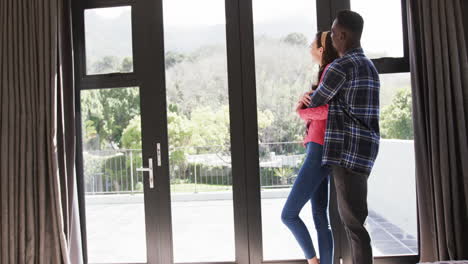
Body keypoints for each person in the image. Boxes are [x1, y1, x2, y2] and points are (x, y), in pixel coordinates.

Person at [300, 10, 380, 264]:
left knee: (353, 225)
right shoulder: (368, 66)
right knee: (356, 220)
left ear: (343, 35)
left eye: (333, 33)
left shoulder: (341, 66)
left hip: (346, 152)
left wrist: (300, 107)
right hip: (365, 152)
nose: (332, 39)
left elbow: (314, 103)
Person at [281, 31, 339, 264]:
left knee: (288, 215)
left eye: (311, 44)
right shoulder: (326, 72)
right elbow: (321, 113)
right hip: (319, 147)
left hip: (318, 149)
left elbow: (328, 112)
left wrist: (300, 111)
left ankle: (313, 261)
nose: (309, 48)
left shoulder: (331, 72)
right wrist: (305, 102)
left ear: (321, 49)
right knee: (319, 217)